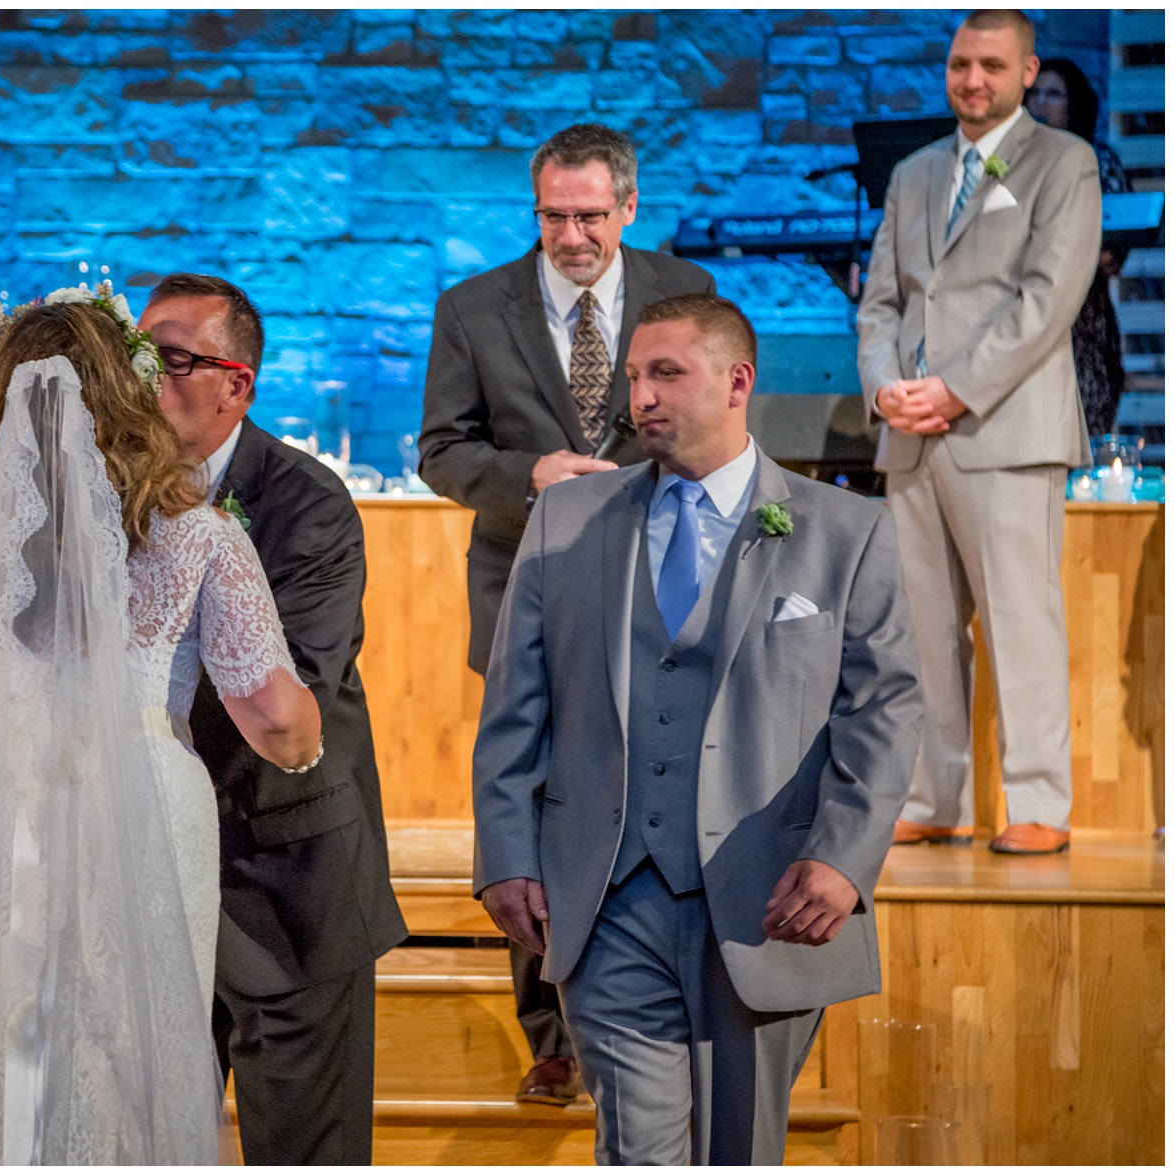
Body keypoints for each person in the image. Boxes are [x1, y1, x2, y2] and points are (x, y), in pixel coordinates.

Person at [0, 295, 322, 1164]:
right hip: (143, 795)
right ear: (129, 393)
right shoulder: (198, 535)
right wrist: (308, 740)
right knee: (122, 1045)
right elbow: (274, 716)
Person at [475, 294, 920, 1164]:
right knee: (638, 1148)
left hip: (769, 901)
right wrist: (505, 852)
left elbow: (883, 710)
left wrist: (843, 857)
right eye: (635, 375)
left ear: (736, 382)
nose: (640, 395)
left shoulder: (846, 531)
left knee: (738, 1152)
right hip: (608, 897)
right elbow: (515, 706)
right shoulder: (566, 519)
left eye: (667, 374)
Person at [414, 121, 715, 1104]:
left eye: (590, 216)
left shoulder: (685, 292)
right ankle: (550, 1034)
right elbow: (439, 451)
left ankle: (652, 1012)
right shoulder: (470, 308)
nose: (571, 235)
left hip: (662, 580)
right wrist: (528, 476)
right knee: (532, 802)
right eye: (553, 216)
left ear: (628, 207)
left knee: (656, 789)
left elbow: (714, 423)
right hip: (524, 586)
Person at [141, 273, 407, 1163]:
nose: (145, 378)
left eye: (171, 359)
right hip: (151, 882)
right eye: (135, 356)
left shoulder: (308, 501)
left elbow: (300, 684)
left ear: (236, 383)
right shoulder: (103, 498)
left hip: (287, 881)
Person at [858, 9, 1104, 857]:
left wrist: (954, 390)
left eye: (992, 66)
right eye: (961, 63)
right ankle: (934, 794)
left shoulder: (1064, 162)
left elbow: (1048, 299)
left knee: (1019, 621)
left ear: (1028, 71)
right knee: (920, 629)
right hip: (911, 433)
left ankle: (1038, 800)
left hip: (1006, 427)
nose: (972, 80)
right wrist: (886, 387)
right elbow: (881, 301)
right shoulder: (915, 172)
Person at [1027, 60, 1133, 442]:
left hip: (1083, 327)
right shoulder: (1010, 166)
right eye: (1034, 93)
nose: (1041, 103)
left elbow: (1112, 253)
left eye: (1053, 94)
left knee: (1083, 438)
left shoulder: (1097, 161)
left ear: (1074, 104)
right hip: (1023, 324)